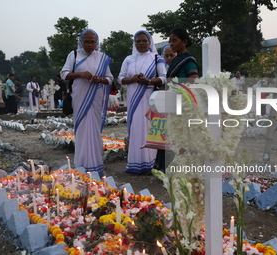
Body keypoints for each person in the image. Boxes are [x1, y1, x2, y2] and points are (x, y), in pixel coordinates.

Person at [60, 29, 113, 176]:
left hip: (96, 98)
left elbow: (110, 78)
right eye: (87, 42)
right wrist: (80, 74)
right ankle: (82, 164)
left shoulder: (102, 58)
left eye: (92, 42)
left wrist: (100, 79)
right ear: (81, 42)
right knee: (82, 129)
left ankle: (96, 164)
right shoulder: (74, 55)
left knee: (94, 129)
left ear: (97, 43)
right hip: (80, 97)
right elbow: (64, 74)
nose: (90, 45)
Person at [118, 30, 166, 174]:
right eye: (138, 41)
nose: (141, 43)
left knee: (147, 126)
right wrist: (133, 79)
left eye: (144, 40)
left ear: (149, 42)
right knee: (135, 128)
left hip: (148, 97)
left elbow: (163, 77)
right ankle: (135, 162)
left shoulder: (157, 58)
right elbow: (120, 78)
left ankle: (150, 162)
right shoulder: (129, 59)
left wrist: (149, 80)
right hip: (133, 98)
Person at [155, 28, 200, 172]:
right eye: (170, 41)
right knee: (171, 138)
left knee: (181, 139)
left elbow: (194, 81)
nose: (172, 44)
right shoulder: (175, 60)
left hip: (183, 106)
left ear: (184, 42)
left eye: (175, 41)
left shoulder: (188, 61)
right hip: (173, 105)